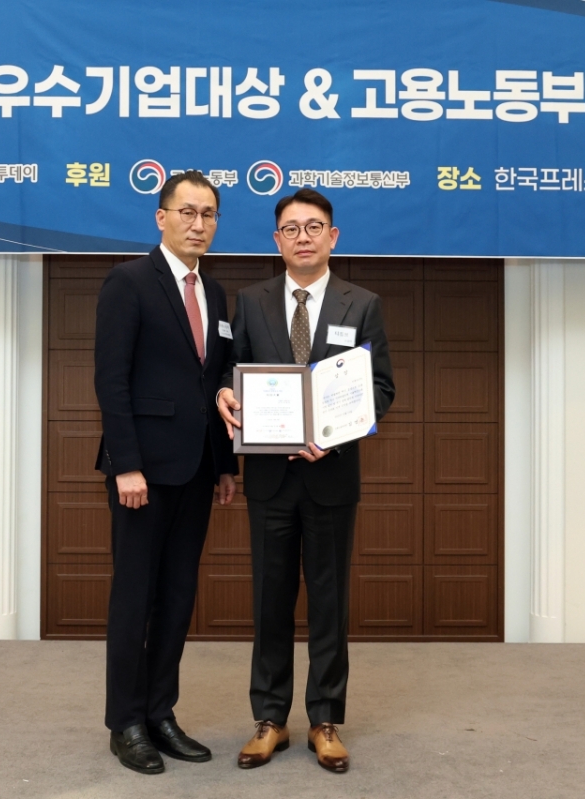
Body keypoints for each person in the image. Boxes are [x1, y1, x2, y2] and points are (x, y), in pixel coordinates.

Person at [216, 188, 395, 773]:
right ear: (277, 240)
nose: (303, 237)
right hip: (269, 478)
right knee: (269, 602)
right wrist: (226, 393)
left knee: (328, 603)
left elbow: (381, 387)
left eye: (313, 226)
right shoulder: (252, 301)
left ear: (332, 237)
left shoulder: (362, 303)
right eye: (291, 228)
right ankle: (270, 719)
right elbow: (234, 372)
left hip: (332, 476)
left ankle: (325, 720)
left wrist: (335, 434)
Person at [94, 170, 237, 775]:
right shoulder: (128, 281)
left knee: (178, 597)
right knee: (136, 596)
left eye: (209, 214)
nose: (198, 224)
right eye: (187, 212)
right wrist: (126, 464)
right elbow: (112, 380)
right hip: (143, 474)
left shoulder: (216, 293)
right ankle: (125, 722)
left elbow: (217, 384)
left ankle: (160, 712)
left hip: (199, 469)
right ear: (162, 217)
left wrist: (225, 465)